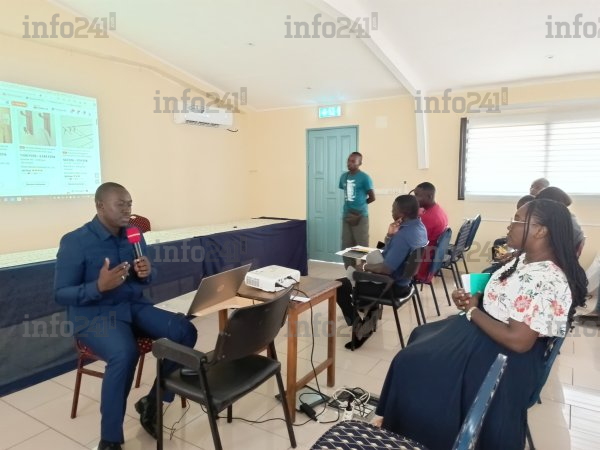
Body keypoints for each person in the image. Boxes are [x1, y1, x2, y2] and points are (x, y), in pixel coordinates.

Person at [373, 199, 587, 450]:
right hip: (488, 333)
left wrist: (473, 310)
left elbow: (519, 341)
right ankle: (405, 427)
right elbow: (502, 289)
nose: (509, 226)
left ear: (541, 231)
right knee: (420, 334)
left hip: (503, 358)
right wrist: (473, 296)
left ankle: (421, 436)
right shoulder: (525, 259)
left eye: (517, 220)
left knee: (409, 362)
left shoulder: (545, 278)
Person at [54, 182, 198, 450]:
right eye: (120, 204)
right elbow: (61, 293)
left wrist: (147, 273)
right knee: (124, 353)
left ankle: (152, 403)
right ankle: (109, 440)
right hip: (95, 314)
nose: (127, 210)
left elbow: (147, 276)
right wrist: (98, 287)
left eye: (129, 204)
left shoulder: (134, 234)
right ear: (100, 206)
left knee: (185, 331)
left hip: (132, 306)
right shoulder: (75, 241)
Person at [336, 195, 427, 349]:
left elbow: (386, 269)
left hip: (391, 286)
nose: (391, 212)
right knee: (366, 272)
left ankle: (360, 329)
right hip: (406, 282)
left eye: (393, 209)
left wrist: (364, 267)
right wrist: (390, 236)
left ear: (402, 213)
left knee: (339, 286)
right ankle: (370, 315)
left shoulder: (404, 236)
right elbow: (390, 253)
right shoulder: (419, 227)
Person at [339, 152, 375, 268]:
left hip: (361, 216)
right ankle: (350, 272)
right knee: (346, 247)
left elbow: (372, 197)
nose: (349, 163)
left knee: (362, 247)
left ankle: (365, 272)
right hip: (347, 216)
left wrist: (360, 208)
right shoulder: (343, 177)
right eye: (348, 160)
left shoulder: (365, 177)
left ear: (360, 163)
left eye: (353, 161)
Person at [412, 182, 448, 280]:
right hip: (431, 260)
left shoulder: (428, 218)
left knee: (385, 255)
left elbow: (412, 243)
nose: (414, 198)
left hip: (420, 265)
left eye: (417, 195)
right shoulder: (438, 210)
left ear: (429, 196)